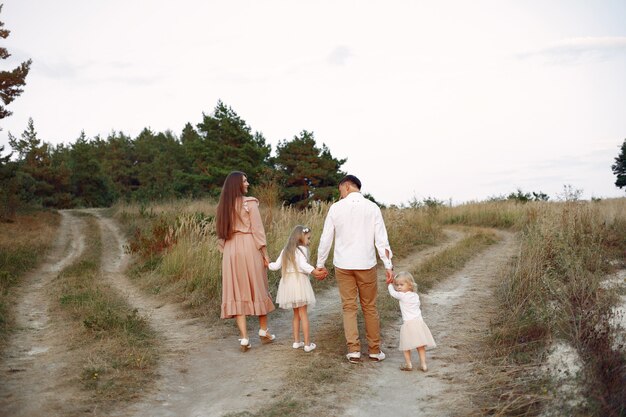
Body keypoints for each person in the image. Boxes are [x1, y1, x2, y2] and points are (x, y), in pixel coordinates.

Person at [315, 174, 394, 363]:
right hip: (366, 264)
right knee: (369, 307)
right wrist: (388, 265)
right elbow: (381, 240)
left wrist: (320, 264)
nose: (340, 194)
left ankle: (354, 351)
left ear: (348, 186)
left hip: (343, 265)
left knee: (349, 307)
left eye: (340, 190)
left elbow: (326, 238)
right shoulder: (372, 207)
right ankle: (374, 350)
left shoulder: (335, 208)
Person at [216, 171, 276, 352]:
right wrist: (265, 254)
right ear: (237, 185)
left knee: (236, 291)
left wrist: (227, 251)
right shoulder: (250, 203)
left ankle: (243, 338)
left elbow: (220, 234)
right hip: (249, 246)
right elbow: (258, 230)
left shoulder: (223, 206)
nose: (248, 183)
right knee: (258, 286)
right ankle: (263, 331)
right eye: (245, 180)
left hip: (230, 250)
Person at [268, 225, 318, 353]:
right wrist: (314, 271)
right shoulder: (302, 249)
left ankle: (296, 342)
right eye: (308, 238)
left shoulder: (285, 251)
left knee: (296, 314)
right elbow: (303, 265)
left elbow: (275, 266)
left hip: (288, 283)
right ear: (301, 237)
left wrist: (267, 263)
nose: (309, 241)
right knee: (303, 314)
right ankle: (307, 344)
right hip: (299, 282)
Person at [386, 271, 436, 371]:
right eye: (397, 285)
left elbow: (392, 293)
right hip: (419, 323)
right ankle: (423, 364)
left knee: (406, 346)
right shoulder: (415, 296)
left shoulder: (402, 296)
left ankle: (409, 364)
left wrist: (390, 284)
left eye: (401, 285)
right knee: (420, 345)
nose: (398, 287)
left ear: (410, 285)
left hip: (408, 324)